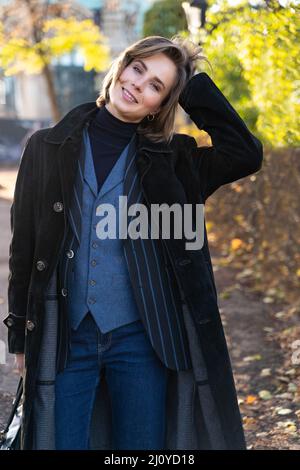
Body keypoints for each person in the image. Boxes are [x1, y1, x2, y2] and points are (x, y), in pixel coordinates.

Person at [4, 35, 263, 450]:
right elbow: (24, 250)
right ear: (121, 66)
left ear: (160, 105)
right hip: (68, 337)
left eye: (156, 86)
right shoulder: (46, 148)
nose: (138, 85)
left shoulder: (175, 160)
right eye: (138, 69)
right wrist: (19, 336)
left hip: (143, 339)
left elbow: (245, 154)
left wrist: (191, 83)